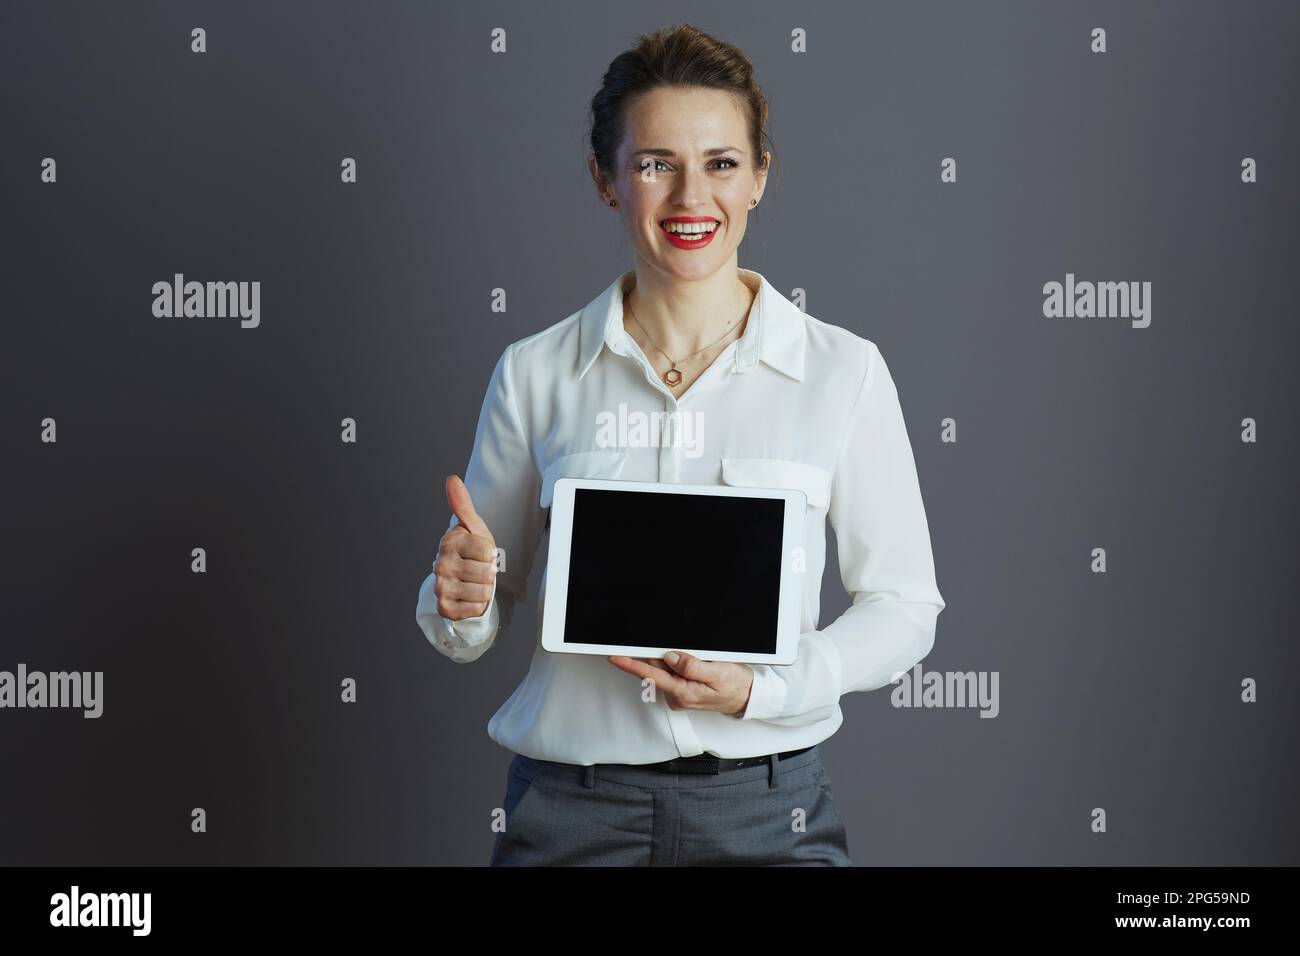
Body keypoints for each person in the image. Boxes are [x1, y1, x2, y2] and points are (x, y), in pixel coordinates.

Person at [415, 23, 944, 866]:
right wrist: (458, 596)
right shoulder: (535, 373)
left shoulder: (844, 371)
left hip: (771, 810)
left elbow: (906, 607)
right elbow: (479, 606)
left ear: (761, 176)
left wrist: (768, 690)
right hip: (571, 811)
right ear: (605, 180)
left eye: (722, 163)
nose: (692, 197)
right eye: (657, 163)